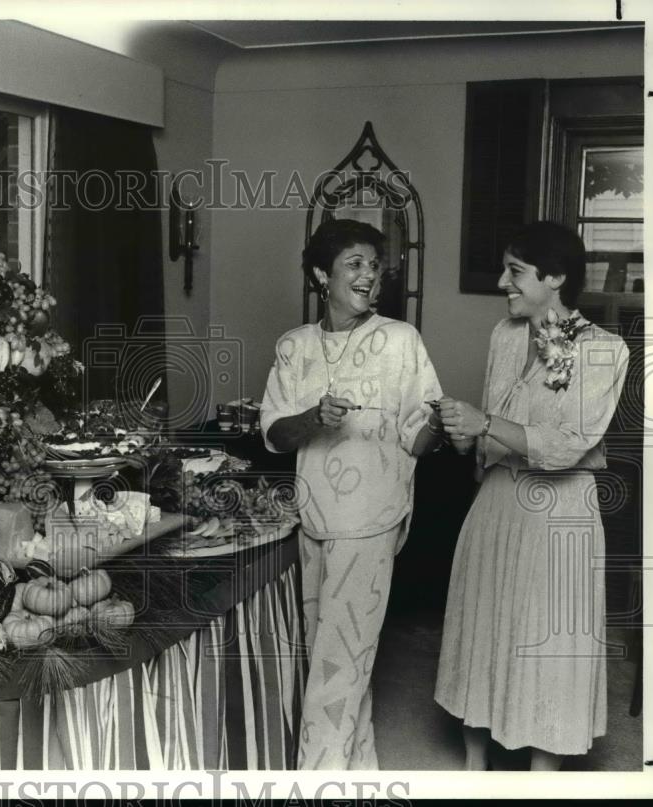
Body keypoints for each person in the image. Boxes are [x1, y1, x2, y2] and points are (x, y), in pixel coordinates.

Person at [433, 221, 629, 771]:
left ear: (557, 277)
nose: (503, 283)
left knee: (550, 639)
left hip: (559, 513)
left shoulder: (604, 351)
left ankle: (542, 775)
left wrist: (486, 421)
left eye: (515, 271)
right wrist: (463, 430)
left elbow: (566, 446)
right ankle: (475, 764)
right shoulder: (504, 335)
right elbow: (490, 427)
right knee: (485, 624)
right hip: (496, 499)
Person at [260, 218, 444, 769]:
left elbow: (419, 441)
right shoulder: (295, 347)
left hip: (371, 520)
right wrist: (313, 418)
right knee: (336, 660)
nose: (370, 275)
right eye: (354, 264)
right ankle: (360, 773)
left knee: (338, 665)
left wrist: (438, 421)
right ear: (322, 274)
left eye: (374, 264)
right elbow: (273, 434)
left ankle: (317, 782)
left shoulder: (399, 340)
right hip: (312, 518)